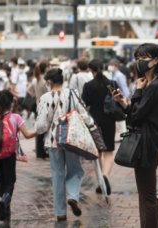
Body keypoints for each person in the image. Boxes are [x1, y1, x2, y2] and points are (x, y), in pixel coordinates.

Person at [113, 43, 158, 228]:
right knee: (149, 196)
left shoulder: (155, 86)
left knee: (147, 198)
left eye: (143, 58)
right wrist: (123, 103)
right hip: (150, 144)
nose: (139, 62)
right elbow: (137, 114)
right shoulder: (152, 84)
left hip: (147, 146)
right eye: (137, 58)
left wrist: (137, 90)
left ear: (155, 60)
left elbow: (136, 117)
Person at [35, 68, 94, 222]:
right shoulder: (72, 93)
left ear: (49, 82)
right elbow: (83, 113)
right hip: (71, 139)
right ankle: (73, 196)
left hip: (53, 142)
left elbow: (41, 125)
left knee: (57, 175)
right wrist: (92, 127)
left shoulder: (45, 98)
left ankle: (60, 212)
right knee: (76, 170)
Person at [0, 90, 36, 223]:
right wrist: (40, 129)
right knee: (10, 182)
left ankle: (6, 209)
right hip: (9, 154)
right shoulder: (15, 118)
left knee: (2, 181)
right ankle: (5, 200)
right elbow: (27, 134)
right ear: (11, 103)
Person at [82, 59, 116, 195]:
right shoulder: (112, 84)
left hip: (94, 121)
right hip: (109, 120)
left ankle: (101, 180)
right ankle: (106, 176)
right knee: (109, 151)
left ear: (91, 70)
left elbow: (84, 104)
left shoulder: (88, 85)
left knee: (98, 152)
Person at [27, 60, 50, 159]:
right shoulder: (45, 81)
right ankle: (43, 152)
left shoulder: (35, 80)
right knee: (45, 130)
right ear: (45, 68)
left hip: (38, 106)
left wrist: (36, 96)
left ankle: (39, 152)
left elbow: (29, 90)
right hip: (45, 107)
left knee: (39, 130)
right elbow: (49, 93)